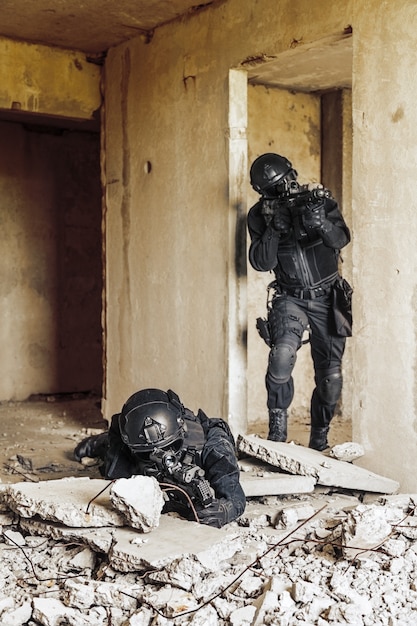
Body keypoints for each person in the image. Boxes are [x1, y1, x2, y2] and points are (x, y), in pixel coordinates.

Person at [247, 153, 352, 451]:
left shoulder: (320, 201)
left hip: (329, 296)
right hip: (289, 297)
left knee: (331, 377)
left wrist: (321, 224)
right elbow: (260, 262)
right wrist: (274, 230)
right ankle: (277, 434)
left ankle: (319, 437)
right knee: (281, 357)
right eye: (275, 188)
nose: (286, 190)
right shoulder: (259, 215)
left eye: (287, 183)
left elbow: (341, 240)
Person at [74, 388, 246, 528]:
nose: (162, 456)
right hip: (132, 445)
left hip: (198, 440)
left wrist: (225, 510)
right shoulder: (133, 443)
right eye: (149, 452)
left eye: (170, 447)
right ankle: (102, 441)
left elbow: (235, 497)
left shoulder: (213, 445)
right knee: (112, 470)